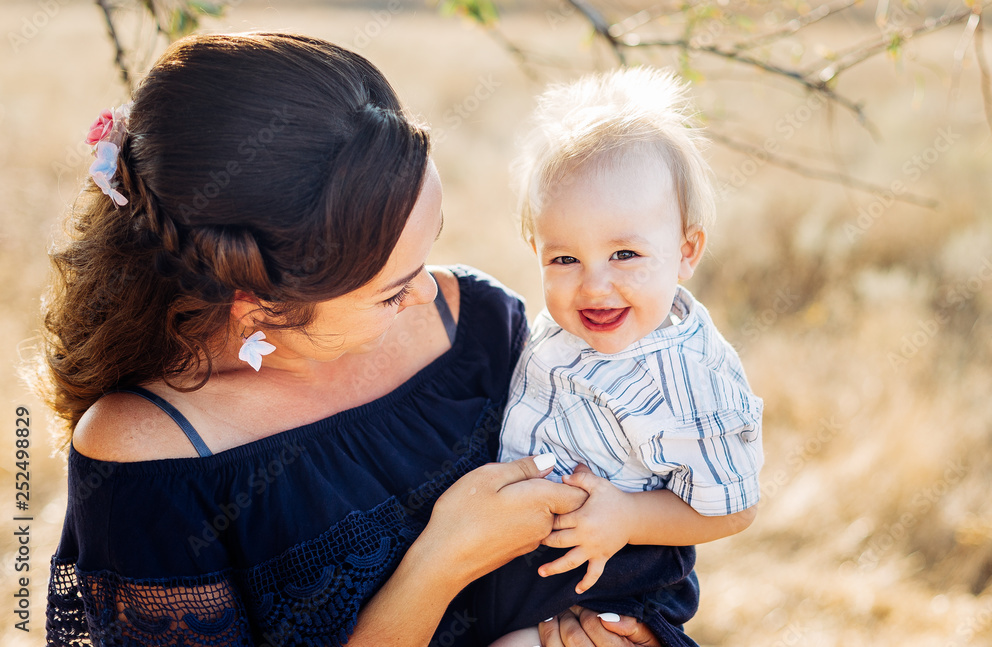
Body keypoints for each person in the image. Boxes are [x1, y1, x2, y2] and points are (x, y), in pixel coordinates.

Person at [36, 33, 693, 647]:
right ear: (255, 307)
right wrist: (441, 561)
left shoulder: (481, 327)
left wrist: (625, 624)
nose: (430, 294)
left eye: (427, 250)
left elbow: (638, 513)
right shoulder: (151, 460)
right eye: (390, 289)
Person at [486, 68, 765, 647]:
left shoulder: (686, 381)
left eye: (625, 254)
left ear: (685, 251)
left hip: (615, 578)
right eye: (564, 259)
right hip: (532, 563)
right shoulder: (569, 324)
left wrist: (629, 518)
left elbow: (735, 508)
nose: (594, 287)